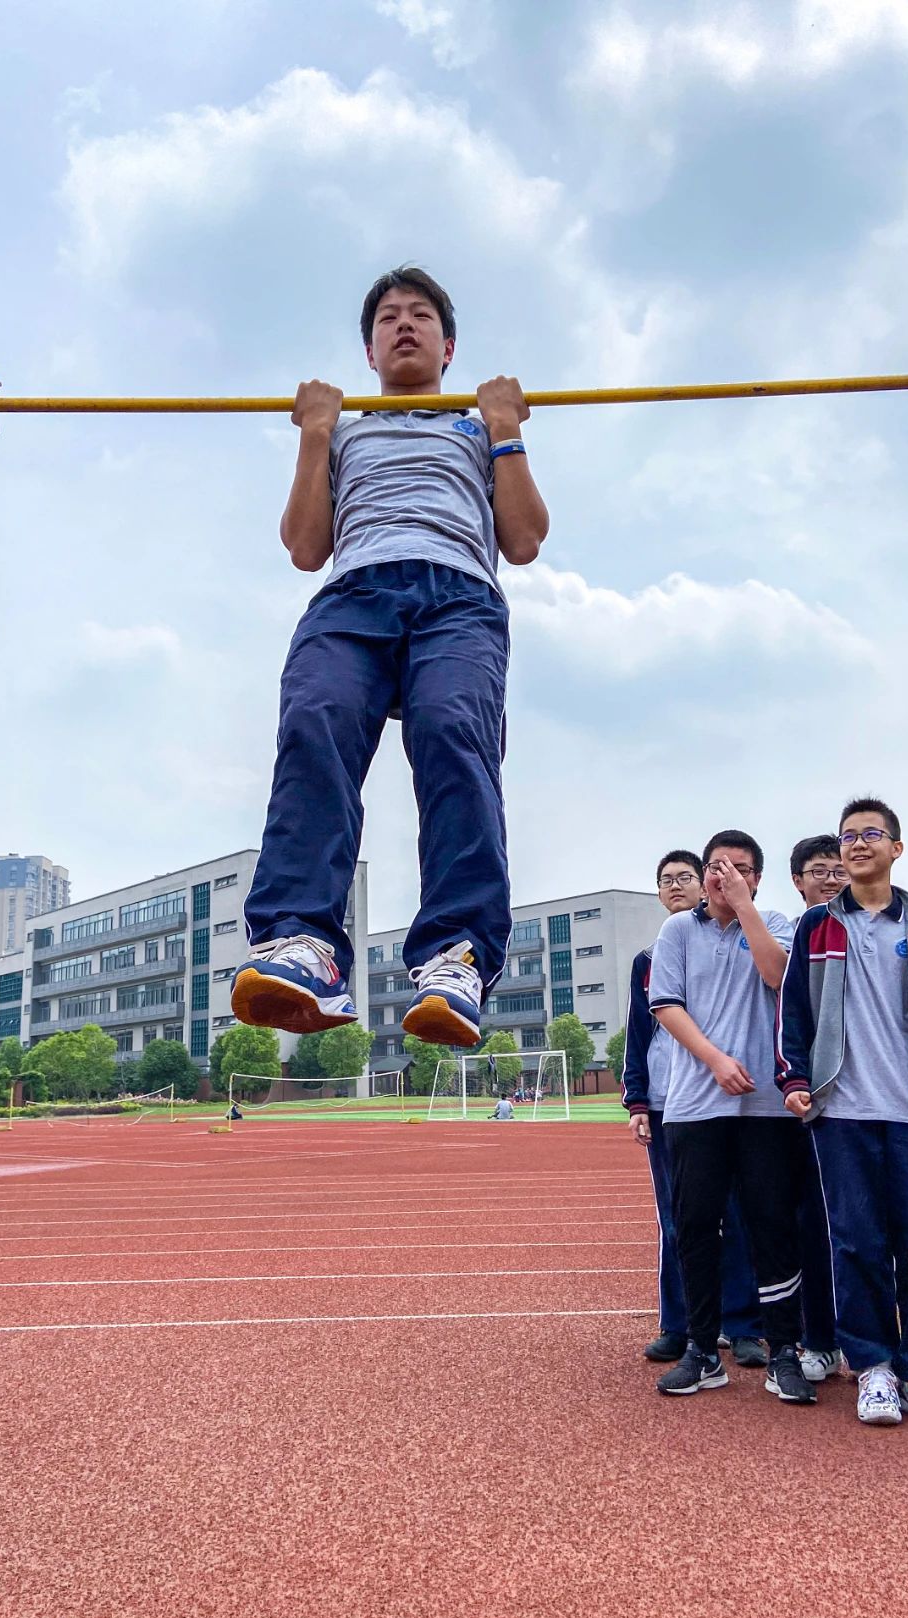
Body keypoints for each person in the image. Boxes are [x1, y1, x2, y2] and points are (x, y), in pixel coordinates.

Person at [230, 266, 550, 1048]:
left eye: (420, 315)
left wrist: (505, 429)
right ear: (370, 352)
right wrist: (313, 435)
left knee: (452, 733)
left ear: (448, 346)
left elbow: (524, 539)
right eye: (387, 318)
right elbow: (306, 548)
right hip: (354, 595)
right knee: (316, 719)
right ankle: (302, 942)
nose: (403, 324)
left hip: (458, 599)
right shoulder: (344, 430)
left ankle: (456, 955)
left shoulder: (476, 427)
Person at [776, 798, 908, 1428]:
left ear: (895, 848)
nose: (857, 844)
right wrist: (795, 1078)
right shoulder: (817, 928)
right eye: (848, 837)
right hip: (842, 1111)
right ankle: (874, 1368)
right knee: (856, 1241)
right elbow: (794, 1011)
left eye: (871, 834)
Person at [649, 831, 815, 1405]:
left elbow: (779, 977)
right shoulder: (678, 930)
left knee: (773, 1225)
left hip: (766, 1104)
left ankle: (784, 1350)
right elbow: (666, 1005)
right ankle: (701, 1348)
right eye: (716, 867)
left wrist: (745, 909)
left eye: (738, 868)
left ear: (757, 877)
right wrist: (715, 1060)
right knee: (696, 1224)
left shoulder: (776, 922)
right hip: (694, 1103)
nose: (724, 876)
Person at [621, 849, 763, 1368]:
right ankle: (679, 1324)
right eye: (666, 880)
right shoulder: (647, 959)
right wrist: (637, 1099)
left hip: (733, 1097)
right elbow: (639, 1034)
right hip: (670, 1102)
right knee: (677, 1218)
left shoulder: (737, 939)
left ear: (705, 885)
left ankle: (743, 1325)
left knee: (738, 1214)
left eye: (685, 877)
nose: (675, 885)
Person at [785, 836, 847, 1383]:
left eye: (838, 869)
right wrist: (797, 1078)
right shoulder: (801, 932)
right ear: (798, 881)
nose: (831, 878)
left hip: (882, 1103)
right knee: (812, 1223)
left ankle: (879, 1345)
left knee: (879, 1229)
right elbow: (793, 1012)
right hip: (814, 1104)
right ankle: (821, 1338)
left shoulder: (890, 926)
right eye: (819, 870)